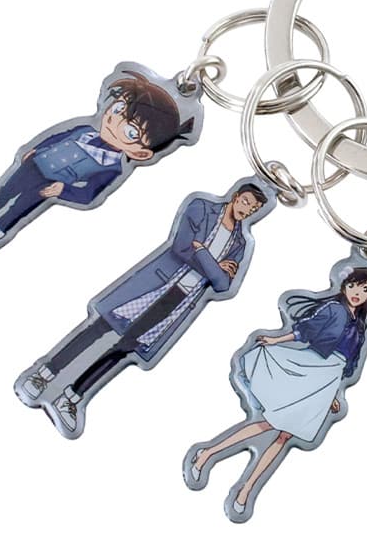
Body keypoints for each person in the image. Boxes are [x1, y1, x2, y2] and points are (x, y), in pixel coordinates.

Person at [14, 181, 271, 438]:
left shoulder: (241, 243)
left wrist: (202, 251)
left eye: (253, 209)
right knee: (99, 328)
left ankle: (72, 397)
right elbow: (182, 247)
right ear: (236, 196)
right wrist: (213, 264)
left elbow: (222, 284)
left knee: (125, 348)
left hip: (180, 301)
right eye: (246, 202)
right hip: (156, 282)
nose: (247, 210)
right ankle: (44, 375)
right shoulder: (202, 207)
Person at [185, 263, 367, 522]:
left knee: (284, 436)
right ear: (345, 286)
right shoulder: (335, 309)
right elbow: (306, 329)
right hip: (309, 369)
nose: (358, 293)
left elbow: (349, 364)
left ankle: (246, 490)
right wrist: (275, 340)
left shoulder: (360, 325)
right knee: (268, 424)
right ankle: (208, 454)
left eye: (365, 289)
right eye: (354, 286)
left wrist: (333, 396)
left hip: (326, 381)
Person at [0, 65, 199, 261]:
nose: (115, 122)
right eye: (118, 109)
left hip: (49, 184)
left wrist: (63, 190)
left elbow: (90, 193)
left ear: (142, 153)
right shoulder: (85, 129)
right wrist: (34, 149)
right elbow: (59, 136)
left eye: (131, 132)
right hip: (35, 164)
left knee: (19, 207)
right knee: (7, 190)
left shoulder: (112, 167)